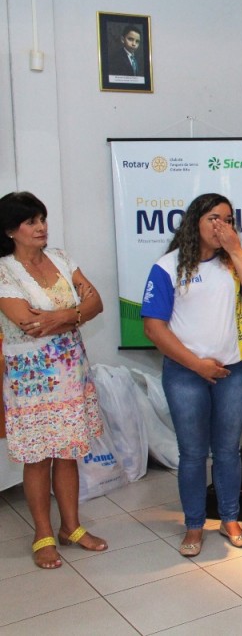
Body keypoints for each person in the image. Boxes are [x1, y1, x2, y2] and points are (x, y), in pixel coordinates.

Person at [142, 193, 242, 557]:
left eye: (228, 220)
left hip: (232, 370)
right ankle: (194, 524)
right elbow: (154, 327)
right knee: (193, 453)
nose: (221, 226)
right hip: (186, 373)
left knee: (228, 450)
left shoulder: (232, 262)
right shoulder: (167, 267)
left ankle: (230, 518)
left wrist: (236, 250)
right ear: (195, 222)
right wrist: (196, 364)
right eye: (214, 218)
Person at [0, 191, 106, 569]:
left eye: (42, 219)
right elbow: (27, 323)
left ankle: (71, 527)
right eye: (31, 221)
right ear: (10, 230)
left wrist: (59, 317)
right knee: (38, 456)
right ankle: (42, 533)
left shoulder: (61, 258)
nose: (41, 227)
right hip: (30, 380)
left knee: (67, 451)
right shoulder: (4, 270)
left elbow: (97, 303)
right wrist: (76, 312)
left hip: (70, 371)